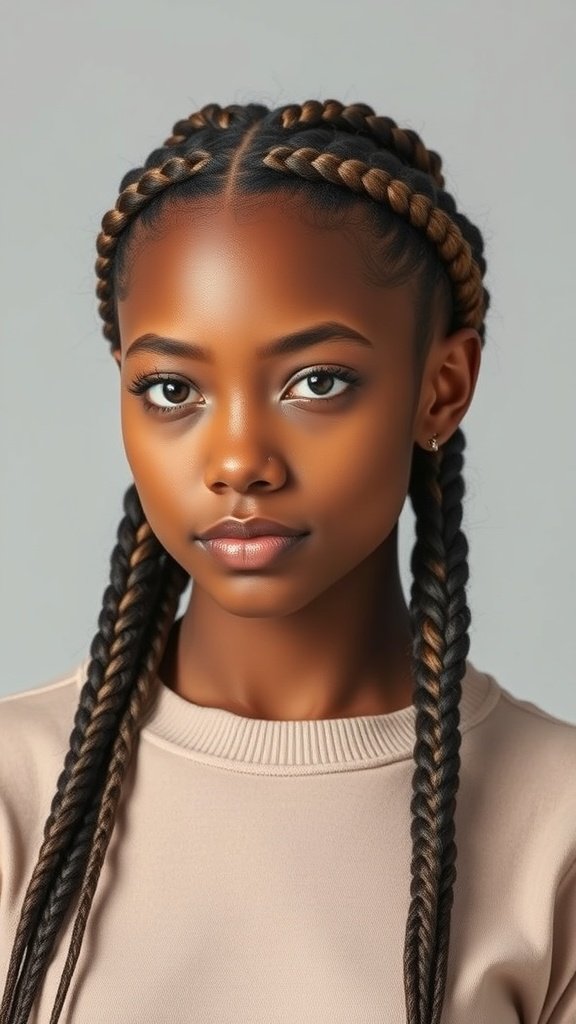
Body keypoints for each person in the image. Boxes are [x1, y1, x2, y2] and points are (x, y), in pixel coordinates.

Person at [0, 98, 575, 1024]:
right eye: (172, 389)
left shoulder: (557, 825)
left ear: (443, 388)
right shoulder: (14, 794)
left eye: (318, 383)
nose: (237, 462)